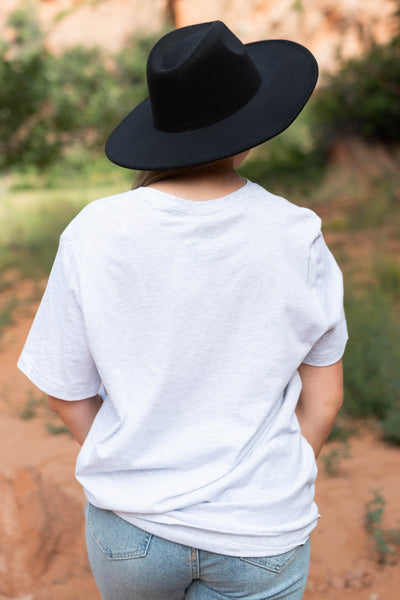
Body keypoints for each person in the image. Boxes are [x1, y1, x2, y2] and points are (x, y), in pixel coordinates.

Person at [18, 20, 347, 600]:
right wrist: (269, 479)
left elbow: (64, 389)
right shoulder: (298, 235)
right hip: (261, 528)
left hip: (132, 532)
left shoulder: (94, 231)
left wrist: (137, 466)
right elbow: (324, 397)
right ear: (251, 130)